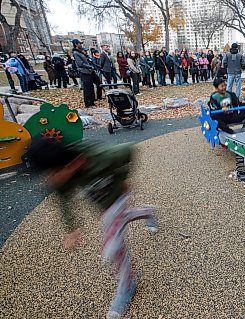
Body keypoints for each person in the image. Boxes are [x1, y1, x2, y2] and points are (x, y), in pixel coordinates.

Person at [26, 138, 159, 319]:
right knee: (122, 219)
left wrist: (123, 179)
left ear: (70, 164)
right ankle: (149, 212)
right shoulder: (62, 177)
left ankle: (127, 285)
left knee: (113, 246)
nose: (48, 180)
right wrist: (71, 229)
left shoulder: (101, 156)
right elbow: (63, 201)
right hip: (104, 205)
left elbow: (127, 150)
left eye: (51, 173)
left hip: (118, 197)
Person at [73, 39, 101, 107]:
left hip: (90, 72)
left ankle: (92, 101)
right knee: (87, 88)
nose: (81, 44)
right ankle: (88, 103)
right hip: (84, 72)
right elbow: (80, 64)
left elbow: (87, 60)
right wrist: (90, 66)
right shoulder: (76, 53)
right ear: (76, 44)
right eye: (79, 43)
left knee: (95, 84)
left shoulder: (81, 52)